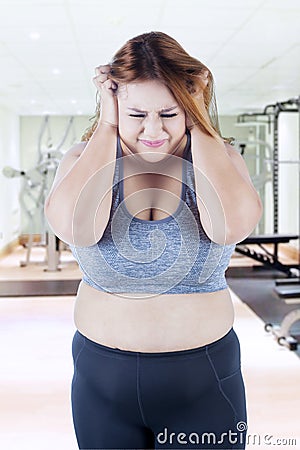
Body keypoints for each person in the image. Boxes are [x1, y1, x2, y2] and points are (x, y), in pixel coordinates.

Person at [44, 31, 262, 450]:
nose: (153, 130)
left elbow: (229, 228)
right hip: (101, 383)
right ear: (114, 108)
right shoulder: (81, 158)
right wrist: (108, 124)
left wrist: (199, 120)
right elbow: (78, 229)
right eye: (136, 114)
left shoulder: (222, 159)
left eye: (169, 112)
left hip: (205, 380)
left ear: (189, 110)